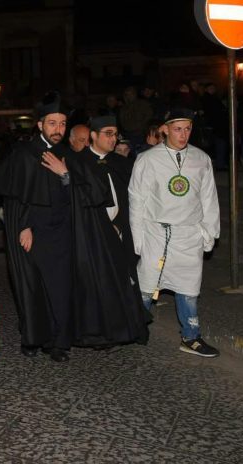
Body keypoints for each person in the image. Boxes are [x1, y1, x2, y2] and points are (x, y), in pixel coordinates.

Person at [0, 92, 79, 362]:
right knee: (30, 286)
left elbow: (79, 193)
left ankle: (58, 342)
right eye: (52, 123)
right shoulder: (24, 153)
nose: (58, 129)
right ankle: (33, 337)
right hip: (32, 230)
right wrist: (23, 226)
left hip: (61, 230)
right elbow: (15, 196)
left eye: (63, 124)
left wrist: (64, 176)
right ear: (40, 125)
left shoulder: (68, 154)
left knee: (60, 286)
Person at [129, 108, 220, 357]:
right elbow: (137, 199)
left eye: (188, 128)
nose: (183, 134)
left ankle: (191, 337)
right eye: (177, 129)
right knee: (146, 286)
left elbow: (209, 198)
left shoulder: (201, 159)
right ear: (165, 130)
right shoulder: (147, 159)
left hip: (189, 234)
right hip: (156, 233)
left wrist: (209, 232)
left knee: (189, 289)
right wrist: (138, 239)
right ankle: (133, 326)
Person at [74, 115, 149, 347]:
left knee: (127, 280)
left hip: (123, 230)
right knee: (101, 283)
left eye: (115, 134)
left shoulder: (122, 163)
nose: (113, 138)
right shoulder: (78, 163)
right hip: (95, 234)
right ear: (93, 136)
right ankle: (102, 333)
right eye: (108, 133)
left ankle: (130, 328)